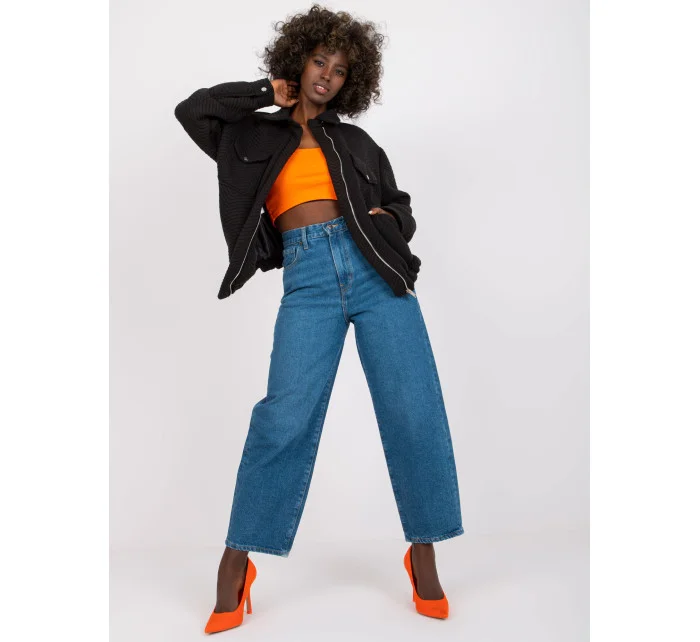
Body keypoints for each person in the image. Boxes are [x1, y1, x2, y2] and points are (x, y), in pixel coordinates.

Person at [174, 4, 464, 633]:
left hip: (375, 272)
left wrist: (390, 221)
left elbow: (400, 205)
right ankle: (237, 562)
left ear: (351, 82)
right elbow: (192, 110)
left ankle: (423, 550)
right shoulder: (250, 136)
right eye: (318, 61)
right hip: (307, 281)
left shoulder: (358, 143)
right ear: (298, 60)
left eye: (339, 69)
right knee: (284, 415)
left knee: (413, 406)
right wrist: (264, 92)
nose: (326, 75)